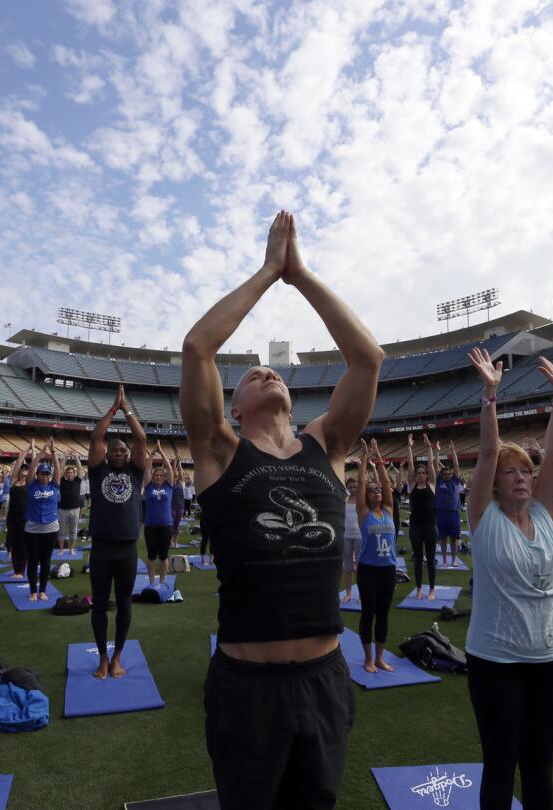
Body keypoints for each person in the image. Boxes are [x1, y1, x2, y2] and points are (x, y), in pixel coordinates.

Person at [184, 211, 379, 808]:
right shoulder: (220, 450)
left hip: (323, 680)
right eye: (249, 376)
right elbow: (198, 347)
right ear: (234, 407)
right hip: (248, 687)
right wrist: (269, 271)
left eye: (271, 371)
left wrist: (303, 275)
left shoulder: (329, 446)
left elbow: (367, 359)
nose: (264, 372)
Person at [464, 348, 553, 810]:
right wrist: (490, 396)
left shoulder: (544, 516)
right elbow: (489, 450)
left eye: (524, 472)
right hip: (494, 663)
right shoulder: (484, 518)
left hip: (551, 662)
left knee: (539, 766)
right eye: (510, 473)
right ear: (494, 483)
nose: (521, 478)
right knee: (501, 763)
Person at [86, 385, 148, 679]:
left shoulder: (136, 472)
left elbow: (141, 438)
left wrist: (127, 409)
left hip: (127, 548)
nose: (121, 453)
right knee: (99, 604)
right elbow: (97, 436)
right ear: (108, 455)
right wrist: (112, 409)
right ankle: (101, 657)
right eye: (116, 450)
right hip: (101, 547)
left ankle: (118, 657)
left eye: (124, 450)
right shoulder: (98, 470)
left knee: (125, 603)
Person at [354, 439, 398, 675]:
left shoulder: (389, 510)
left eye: (379, 489)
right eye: (373, 490)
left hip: (388, 569)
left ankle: (380, 658)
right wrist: (363, 458)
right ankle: (368, 658)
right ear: (367, 496)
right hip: (368, 569)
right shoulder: (364, 513)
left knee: (383, 613)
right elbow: (362, 482)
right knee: (368, 612)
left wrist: (379, 456)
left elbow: (386, 483)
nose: (377, 491)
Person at [25, 439, 63, 600]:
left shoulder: (54, 485)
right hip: (33, 528)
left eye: (47, 473)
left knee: (46, 561)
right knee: (33, 560)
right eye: (43, 473)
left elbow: (58, 470)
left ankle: (43, 590)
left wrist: (54, 453)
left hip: (50, 528)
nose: (45, 476)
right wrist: (42, 451)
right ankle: (33, 591)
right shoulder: (32, 484)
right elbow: (32, 466)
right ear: (38, 475)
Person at [406, 433, 438, 600]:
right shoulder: (411, 485)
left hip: (430, 527)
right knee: (418, 560)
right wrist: (410, 448)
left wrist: (428, 448)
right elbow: (410, 464)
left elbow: (431, 464)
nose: (420, 475)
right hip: (415, 528)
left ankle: (432, 589)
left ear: (426, 475)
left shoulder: (432, 485)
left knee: (431, 560)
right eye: (418, 473)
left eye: (422, 473)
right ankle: (419, 588)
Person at [143, 442, 178, 586]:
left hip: (166, 526)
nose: (158, 477)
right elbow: (147, 469)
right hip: (150, 526)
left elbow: (169, 469)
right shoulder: (149, 486)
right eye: (156, 475)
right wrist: (151, 454)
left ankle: (162, 582)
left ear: (163, 478)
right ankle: (152, 583)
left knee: (163, 556)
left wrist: (162, 452)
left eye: (160, 475)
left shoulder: (169, 486)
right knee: (151, 557)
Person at [430, 433, 464, 567]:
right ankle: (444, 560)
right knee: (442, 538)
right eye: (445, 473)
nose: (447, 475)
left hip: (454, 513)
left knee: (454, 539)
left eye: (448, 473)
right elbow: (435, 466)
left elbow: (456, 465)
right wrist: (437, 451)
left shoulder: (455, 480)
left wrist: (453, 451)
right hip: (441, 513)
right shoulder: (438, 480)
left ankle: (453, 559)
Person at [4, 443, 34, 580]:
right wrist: (23, 453)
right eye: (22, 469)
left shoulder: (30, 484)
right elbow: (16, 468)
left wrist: (32, 450)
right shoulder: (14, 482)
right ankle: (16, 570)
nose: (24, 471)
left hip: (25, 518)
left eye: (26, 470)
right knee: (14, 544)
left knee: (23, 544)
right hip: (12, 517)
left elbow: (33, 466)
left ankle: (22, 570)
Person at [57, 455, 84, 554]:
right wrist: (65, 457)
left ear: (74, 473)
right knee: (62, 531)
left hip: (75, 510)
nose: (70, 474)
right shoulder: (62, 481)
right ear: (65, 473)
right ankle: (61, 549)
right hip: (63, 510)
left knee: (73, 530)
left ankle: (71, 549)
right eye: (68, 472)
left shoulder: (77, 480)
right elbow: (59, 469)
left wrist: (76, 458)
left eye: (72, 472)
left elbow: (80, 469)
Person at [341, 471, 361, 602]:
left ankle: (361, 594)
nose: (353, 489)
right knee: (347, 567)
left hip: (359, 536)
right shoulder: (345, 499)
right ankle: (348, 593)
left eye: (355, 487)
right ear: (347, 488)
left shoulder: (362, 499)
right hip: (346, 536)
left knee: (360, 567)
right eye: (350, 487)